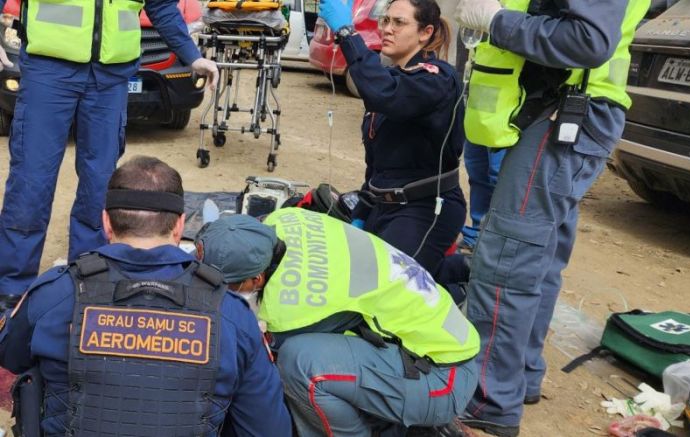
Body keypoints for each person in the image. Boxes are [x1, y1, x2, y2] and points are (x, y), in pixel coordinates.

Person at [453, 0, 650, 436]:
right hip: (568, 112)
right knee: (537, 258)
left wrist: (496, 21)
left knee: (507, 259)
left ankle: (486, 397)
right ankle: (517, 375)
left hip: (567, 113)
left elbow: (588, 40)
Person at [0, 156, 292, 436]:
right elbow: (267, 428)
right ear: (179, 226)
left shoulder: (54, 293)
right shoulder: (232, 315)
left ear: (106, 222)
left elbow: (10, 355)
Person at [0, 0, 220, 311]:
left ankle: (88, 283)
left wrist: (192, 55)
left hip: (110, 76)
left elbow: (160, 4)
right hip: (49, 68)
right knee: (30, 183)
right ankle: (11, 291)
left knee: (100, 186)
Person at [196, 208, 480, 437]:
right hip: (442, 338)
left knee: (297, 364)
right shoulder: (285, 218)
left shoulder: (288, 307)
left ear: (256, 279)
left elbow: (257, 359)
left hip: (443, 378)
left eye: (229, 285)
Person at [319, 0, 469, 297]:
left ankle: (460, 281)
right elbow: (378, 163)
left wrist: (348, 32)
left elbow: (384, 94)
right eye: (385, 21)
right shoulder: (396, 78)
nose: (387, 29)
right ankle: (443, 269)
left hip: (426, 208)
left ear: (425, 32)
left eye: (398, 23)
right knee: (344, 271)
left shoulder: (436, 79)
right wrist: (362, 209)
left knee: (383, 291)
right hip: (384, 207)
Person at [460, 143, 505, 251]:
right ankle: (477, 234)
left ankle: (502, 240)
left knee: (500, 175)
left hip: (506, 129)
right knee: (478, 170)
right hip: (476, 128)